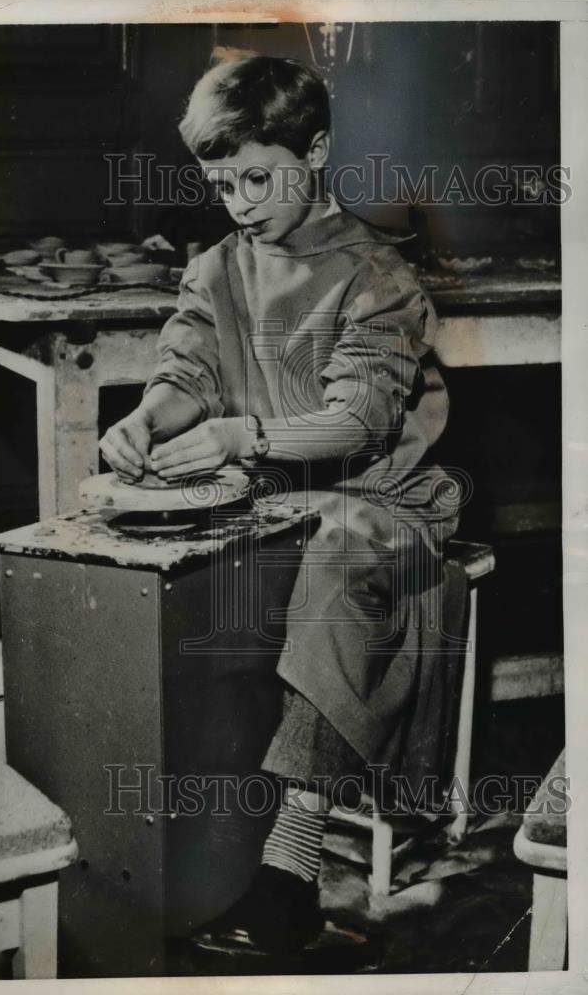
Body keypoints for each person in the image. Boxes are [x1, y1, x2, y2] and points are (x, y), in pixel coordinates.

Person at [99, 55, 464, 956]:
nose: (240, 201)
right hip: (272, 501)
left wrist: (241, 438)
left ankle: (288, 873)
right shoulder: (218, 266)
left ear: (317, 151)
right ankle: (166, 845)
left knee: (338, 551)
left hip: (380, 505)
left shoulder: (377, 276)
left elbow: (356, 421)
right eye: (221, 183)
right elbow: (188, 370)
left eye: (258, 177)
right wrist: (147, 421)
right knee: (148, 554)